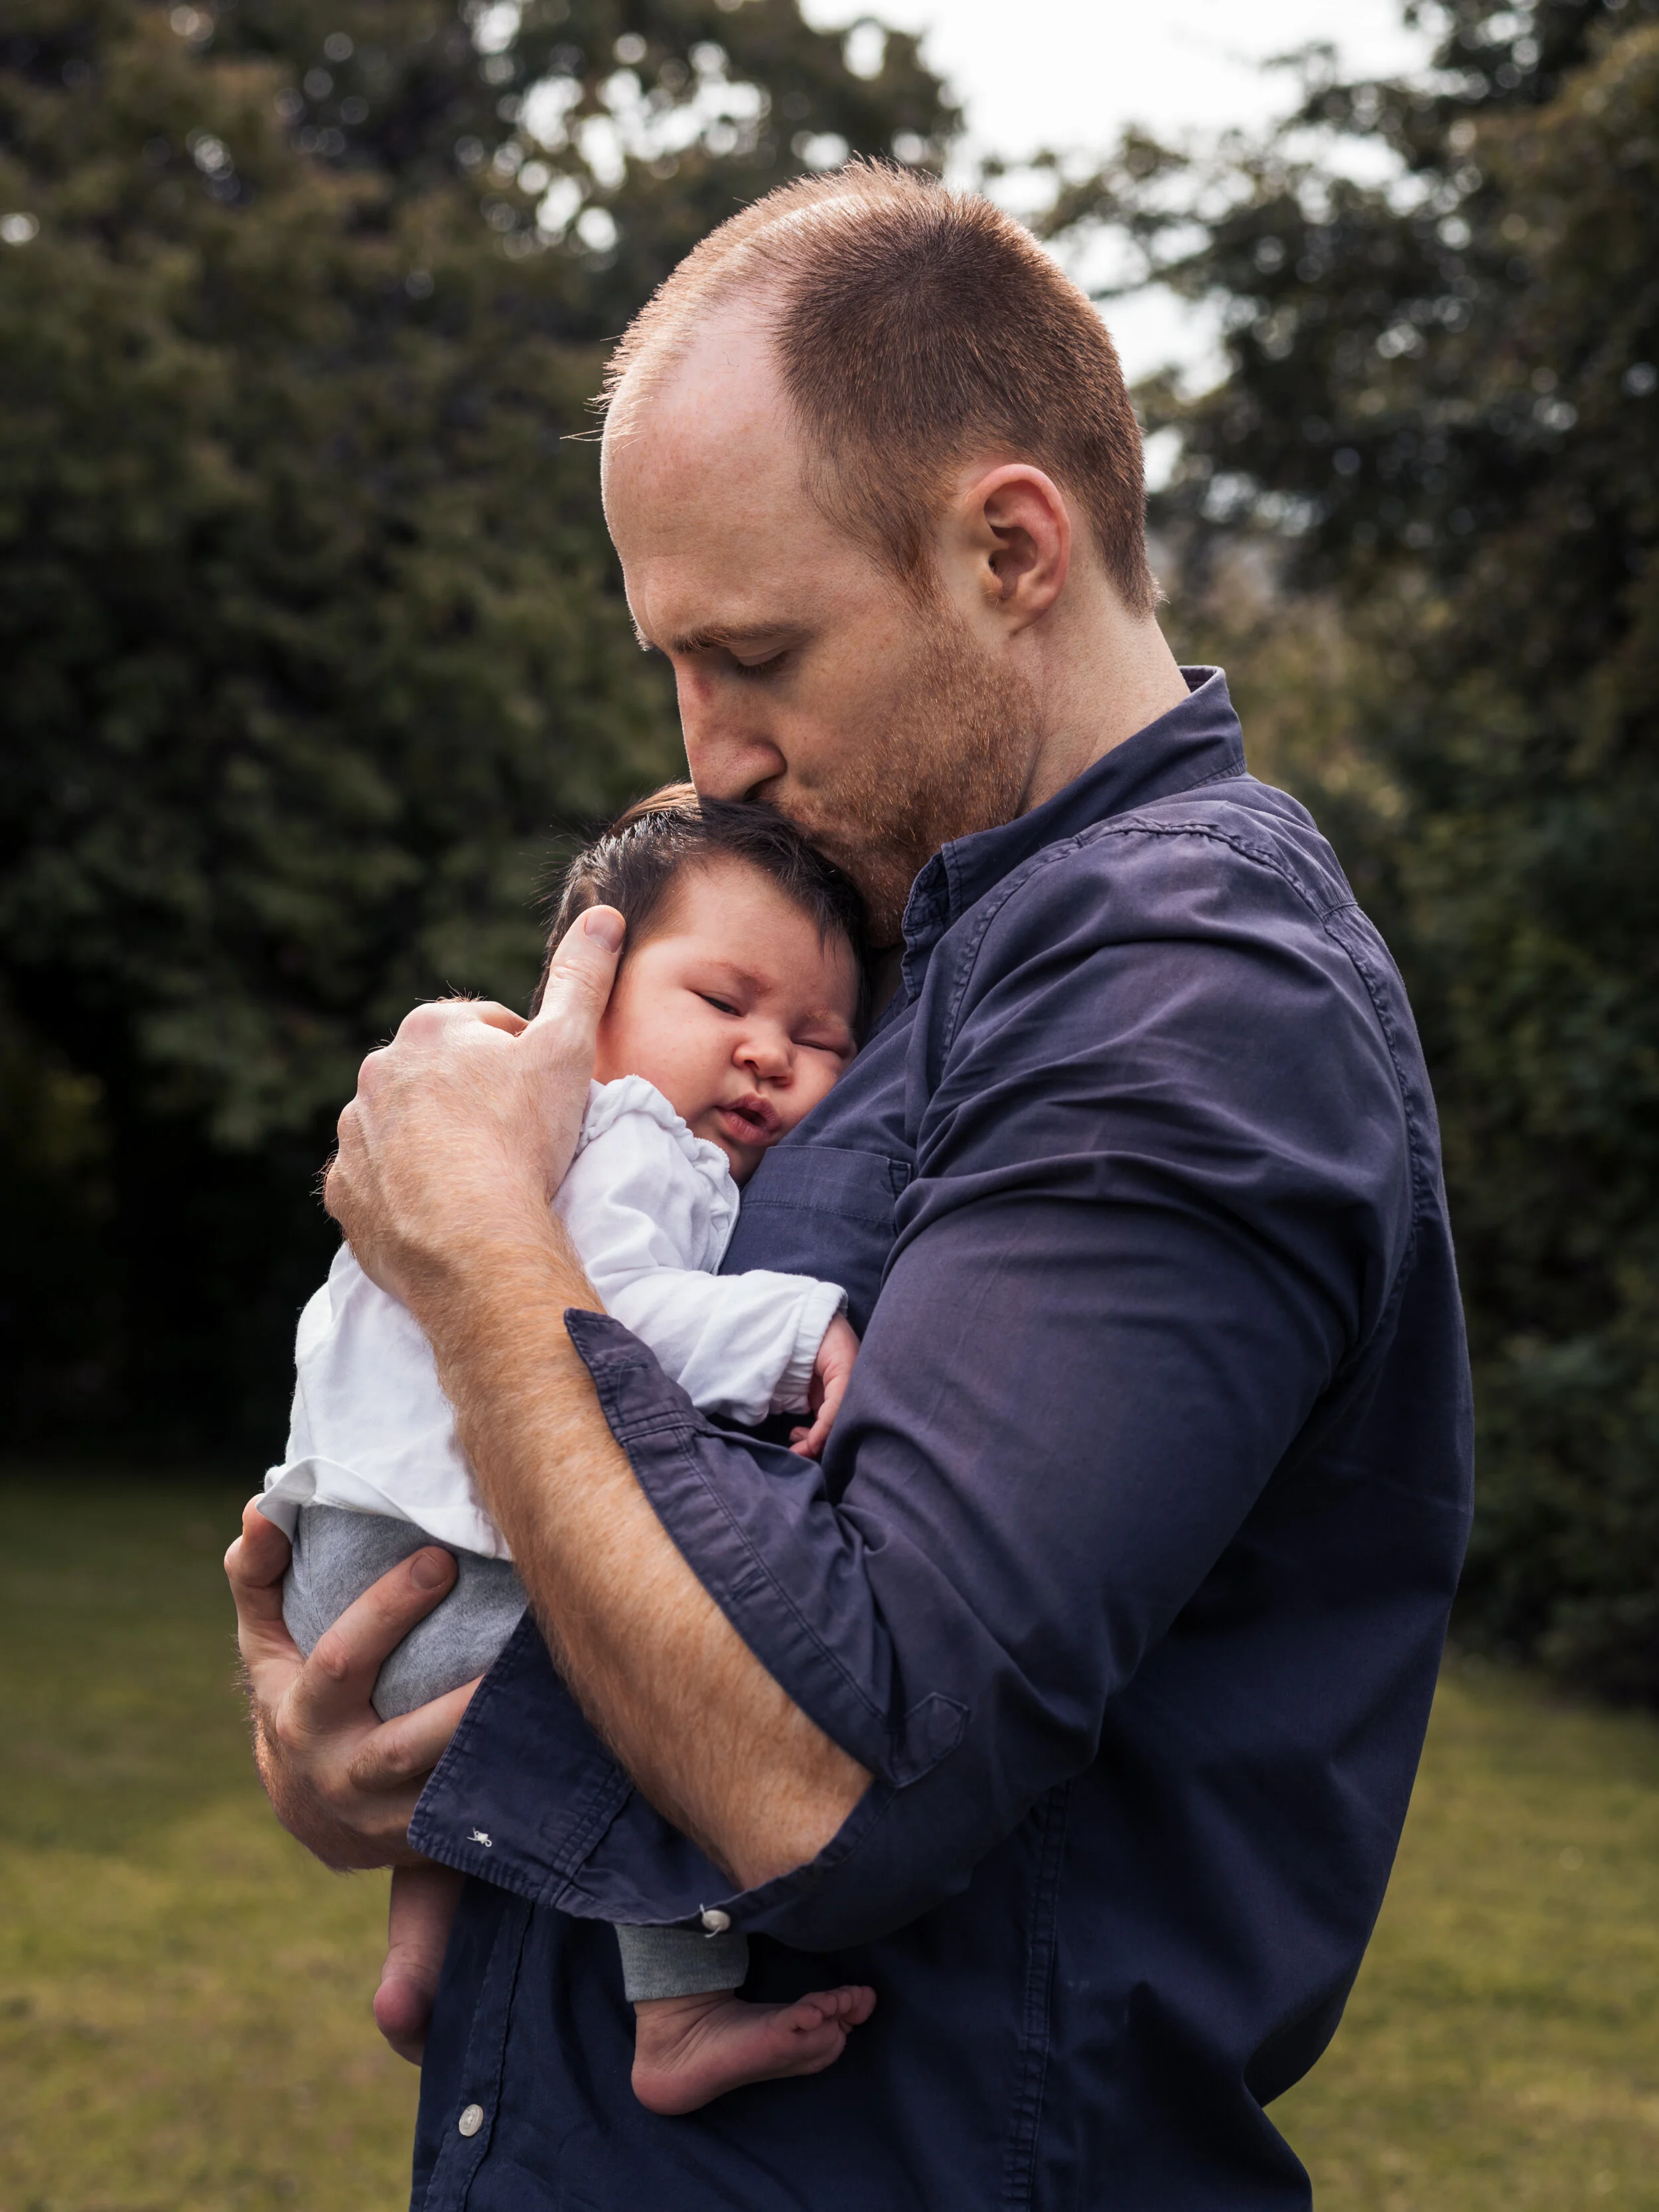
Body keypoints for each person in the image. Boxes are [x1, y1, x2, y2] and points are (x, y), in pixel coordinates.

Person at [228, 163, 1473, 2210]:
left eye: (756, 653)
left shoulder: (1191, 990)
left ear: (1007, 548)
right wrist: (383, 1712)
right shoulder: (886, 940)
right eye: (671, 664)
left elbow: (830, 1766)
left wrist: (480, 1252)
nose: (704, 756)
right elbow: (673, 1523)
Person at [258, 788, 876, 2113]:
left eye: (819, 1036)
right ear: (589, 991)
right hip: (447, 1557)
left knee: (487, 1735)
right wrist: (802, 1326)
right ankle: (681, 2006)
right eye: (724, 1000)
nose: (768, 1051)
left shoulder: (474, 1119)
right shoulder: (630, 1132)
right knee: (643, 1698)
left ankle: (419, 1956)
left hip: (341, 1560)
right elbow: (598, 1319)